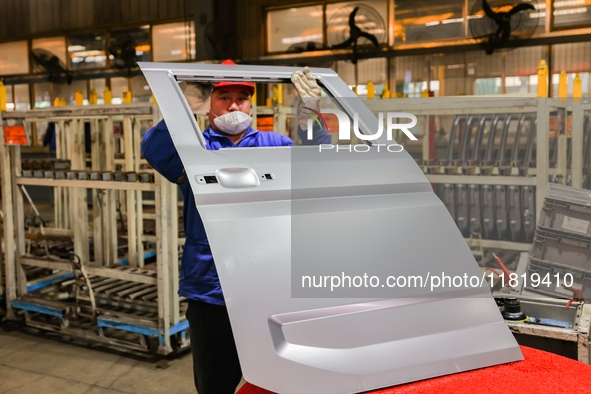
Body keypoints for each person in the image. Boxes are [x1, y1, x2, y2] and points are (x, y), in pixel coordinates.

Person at [141, 60, 329, 394]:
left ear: (250, 104)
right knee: (216, 384)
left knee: (278, 383)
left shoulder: (277, 145)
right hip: (212, 290)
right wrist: (182, 107)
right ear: (209, 104)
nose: (233, 105)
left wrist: (311, 111)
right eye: (223, 97)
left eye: (241, 98)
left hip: (270, 287)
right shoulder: (194, 149)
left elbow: (318, 162)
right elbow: (154, 149)